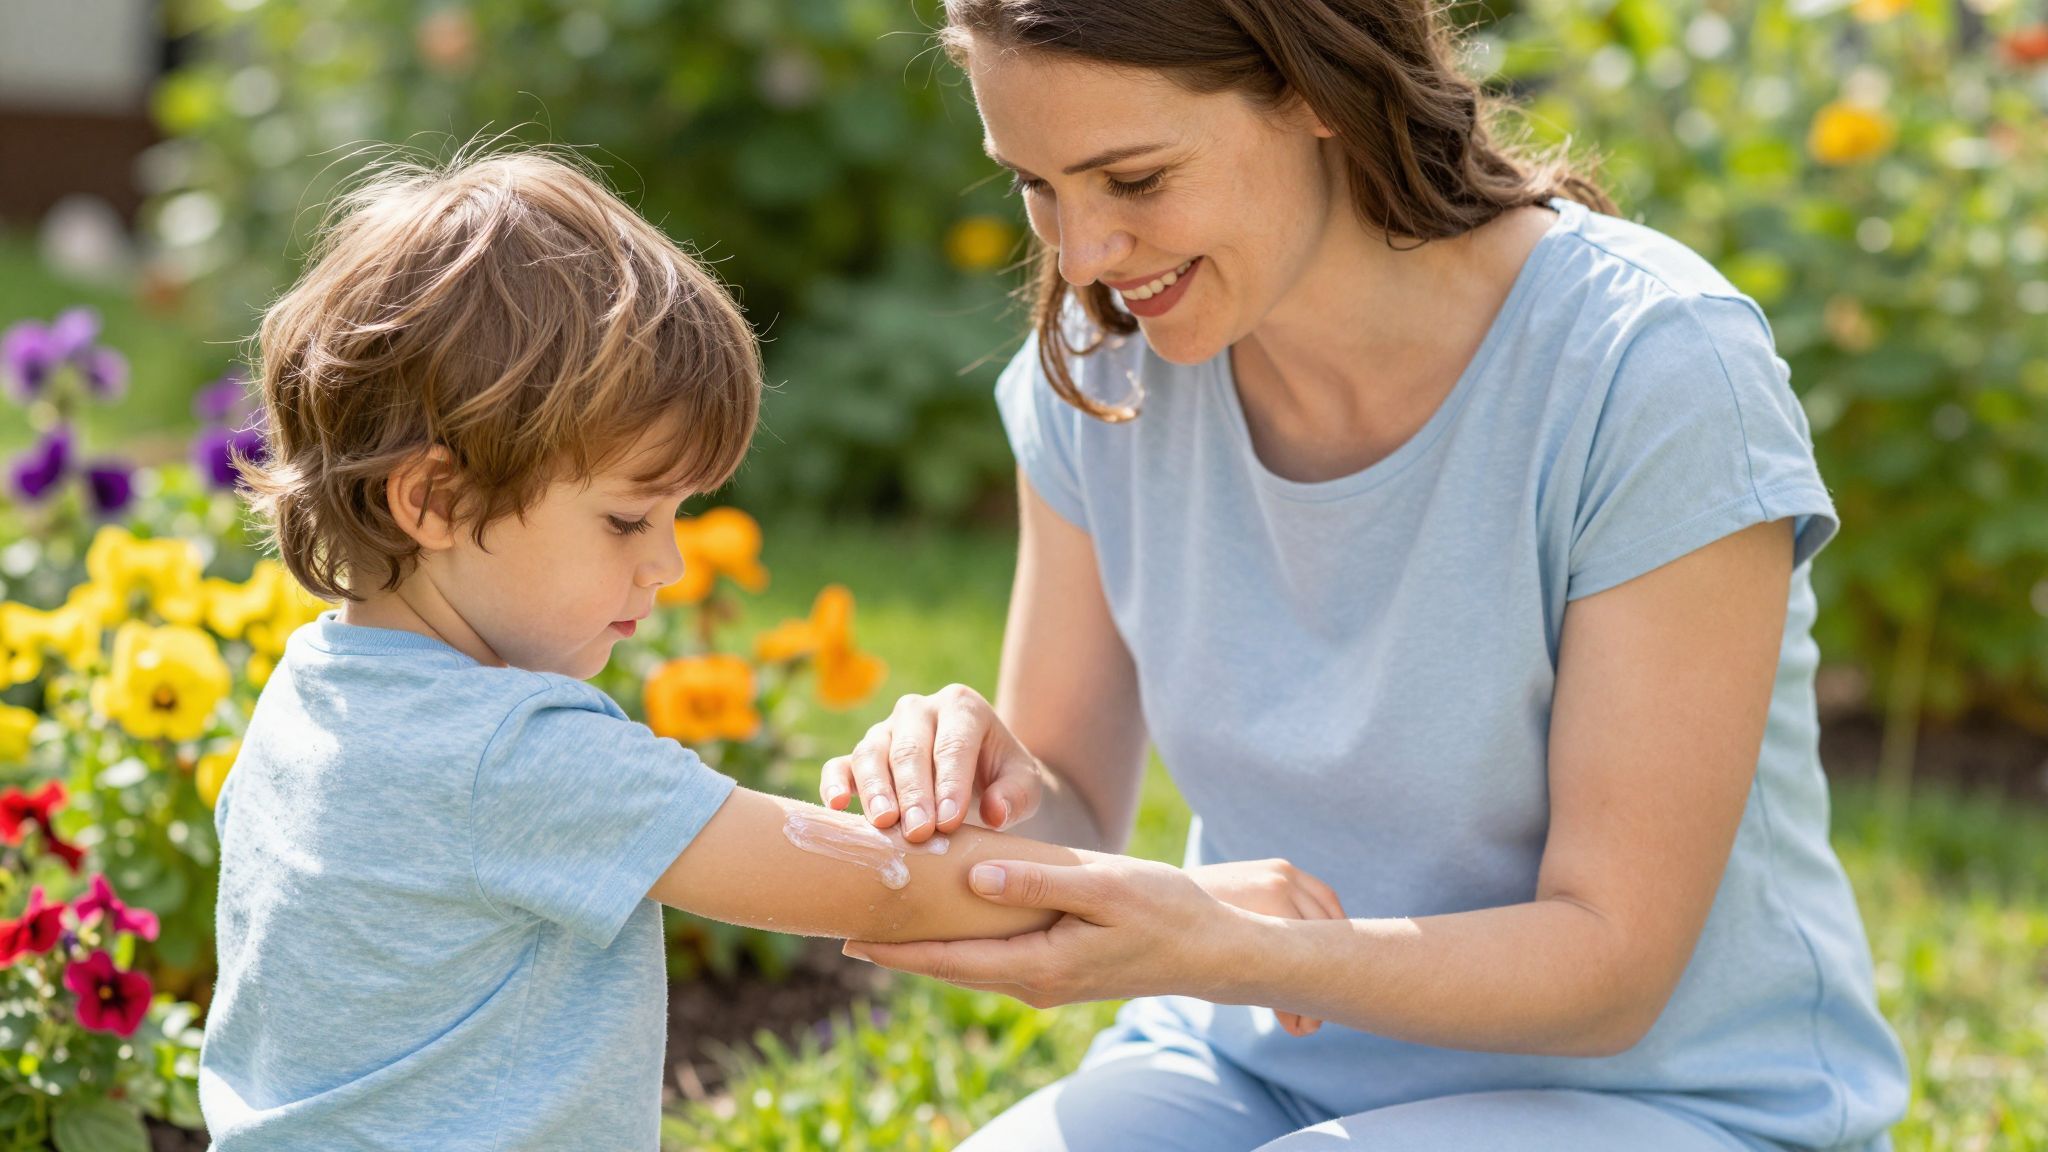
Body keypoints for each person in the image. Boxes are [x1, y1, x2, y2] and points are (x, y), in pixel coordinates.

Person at [820, 2, 1910, 1149]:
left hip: (1660, 1102)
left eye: (1132, 181)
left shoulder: (1649, 368)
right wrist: (975, 786)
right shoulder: (1104, 374)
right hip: (1250, 1066)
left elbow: (1609, 961)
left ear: (1312, 87)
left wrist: (1228, 943)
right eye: (1035, 185)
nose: (1079, 254)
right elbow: (1075, 808)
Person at [196, 148, 1339, 1151]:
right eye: (627, 519)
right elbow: (891, 889)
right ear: (433, 501)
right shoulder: (513, 754)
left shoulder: (312, 698)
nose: (669, 566)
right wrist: (1197, 907)